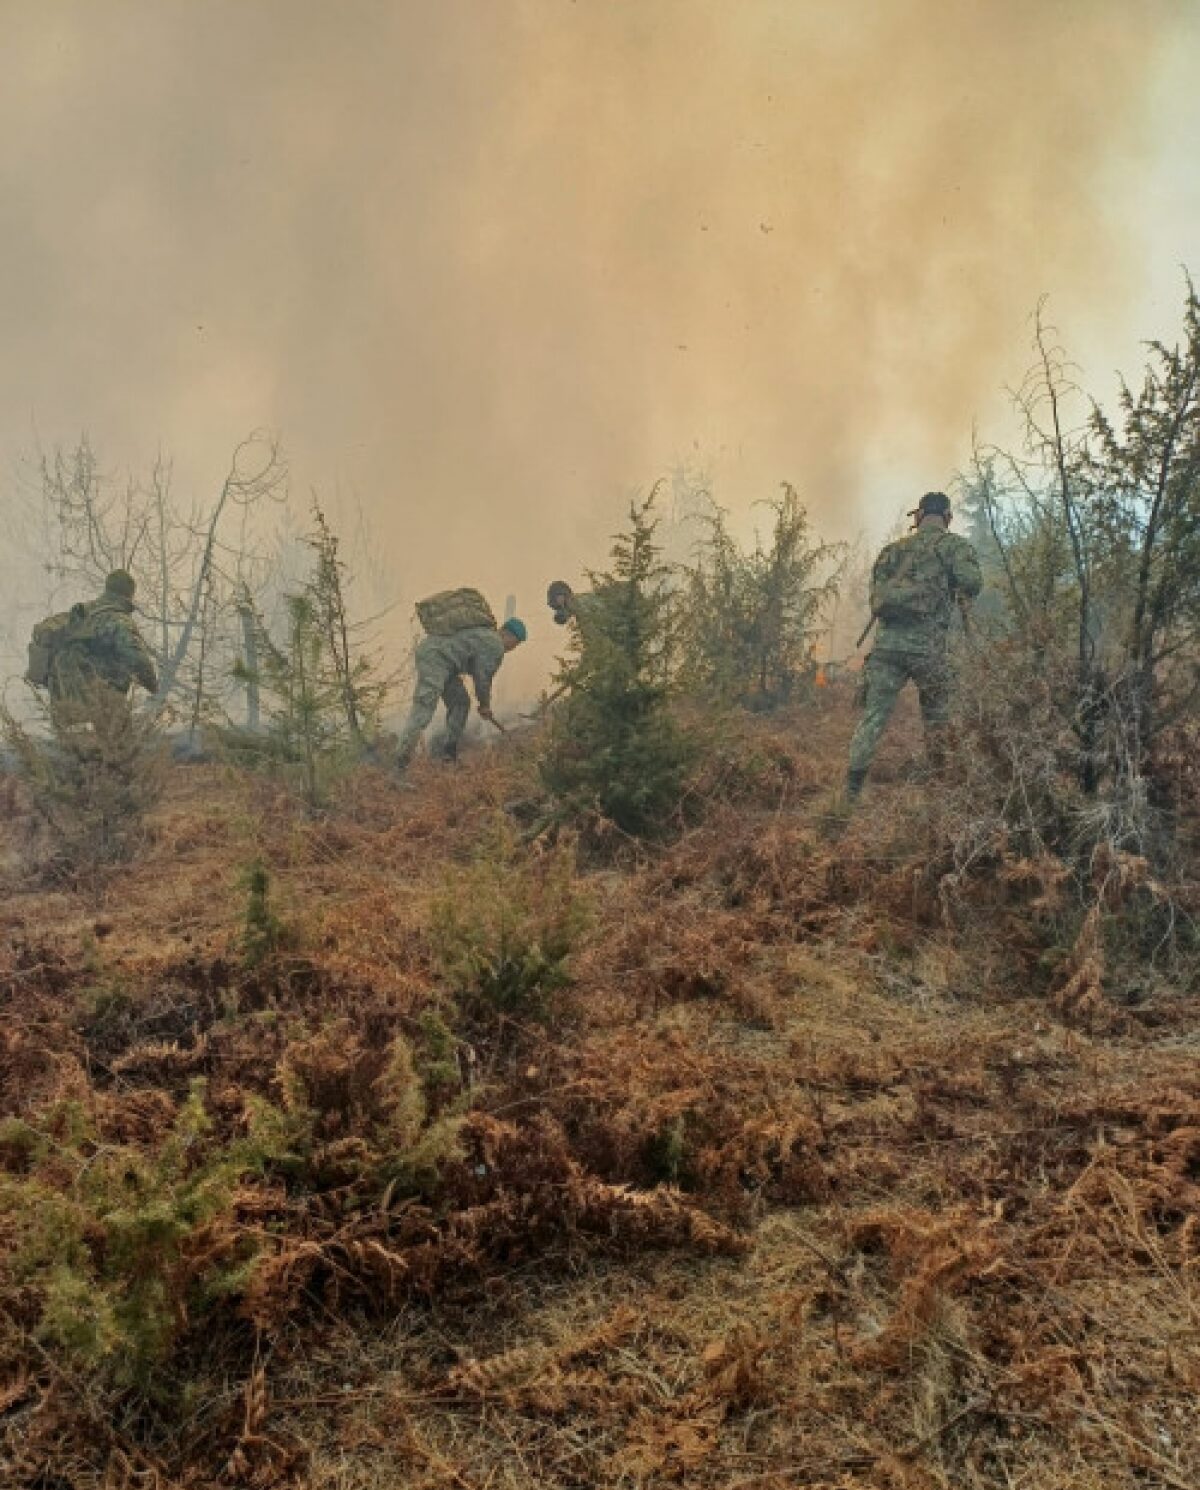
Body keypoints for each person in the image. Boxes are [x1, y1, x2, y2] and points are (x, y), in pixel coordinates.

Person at [846, 491, 982, 798]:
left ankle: (850, 794)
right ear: (948, 518)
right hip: (930, 650)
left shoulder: (892, 552)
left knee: (872, 720)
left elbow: (876, 598)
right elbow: (972, 584)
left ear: (918, 517)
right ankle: (940, 791)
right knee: (937, 721)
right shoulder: (954, 547)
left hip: (887, 649)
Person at [395, 615, 527, 769]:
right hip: (435, 658)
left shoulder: (486, 636)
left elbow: (479, 674)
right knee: (424, 707)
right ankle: (400, 762)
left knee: (461, 703)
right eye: (515, 643)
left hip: (446, 664)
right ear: (507, 634)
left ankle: (448, 755)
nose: (513, 648)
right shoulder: (494, 644)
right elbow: (483, 679)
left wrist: (484, 704)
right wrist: (485, 705)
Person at [44, 569, 159, 713]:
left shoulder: (81, 613)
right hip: (101, 704)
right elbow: (137, 658)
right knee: (120, 735)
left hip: (63, 702)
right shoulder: (118, 619)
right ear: (129, 594)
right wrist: (155, 688)